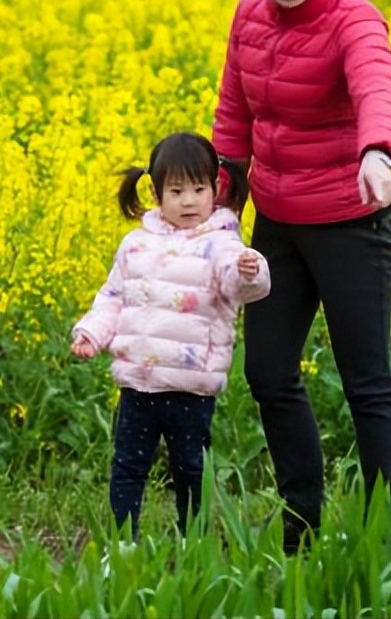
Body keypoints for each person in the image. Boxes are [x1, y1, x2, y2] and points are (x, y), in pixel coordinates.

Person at [211, 0, 391, 554]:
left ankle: (382, 537)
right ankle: (302, 519)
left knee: (367, 382)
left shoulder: (355, 19)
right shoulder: (249, 17)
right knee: (267, 372)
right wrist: (219, 205)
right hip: (278, 224)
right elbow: (234, 115)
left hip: (351, 224)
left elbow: (377, 85)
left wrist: (376, 153)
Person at [71, 131, 271, 539]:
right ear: (156, 193)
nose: (189, 201)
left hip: (190, 388)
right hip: (138, 383)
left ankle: (192, 544)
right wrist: (91, 332)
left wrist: (250, 270)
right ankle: (122, 545)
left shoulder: (222, 244)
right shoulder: (135, 244)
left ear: (216, 189)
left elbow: (238, 284)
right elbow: (113, 297)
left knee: (191, 470)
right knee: (128, 467)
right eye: (176, 191)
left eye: (199, 189)